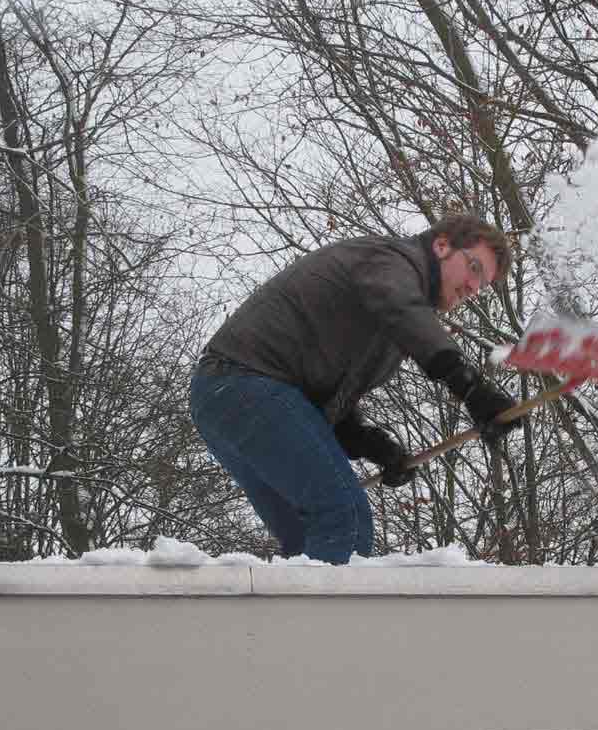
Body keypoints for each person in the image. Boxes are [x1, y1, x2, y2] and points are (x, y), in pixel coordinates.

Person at [189, 213, 521, 563]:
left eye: (482, 286)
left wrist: (369, 443)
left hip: (226, 396)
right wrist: (471, 389)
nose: (473, 287)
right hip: (246, 382)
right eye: (474, 268)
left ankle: (291, 615)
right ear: (441, 246)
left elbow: (328, 388)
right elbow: (403, 313)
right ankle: (328, 619)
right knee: (343, 519)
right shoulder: (391, 261)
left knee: (308, 534)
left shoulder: (391, 314)